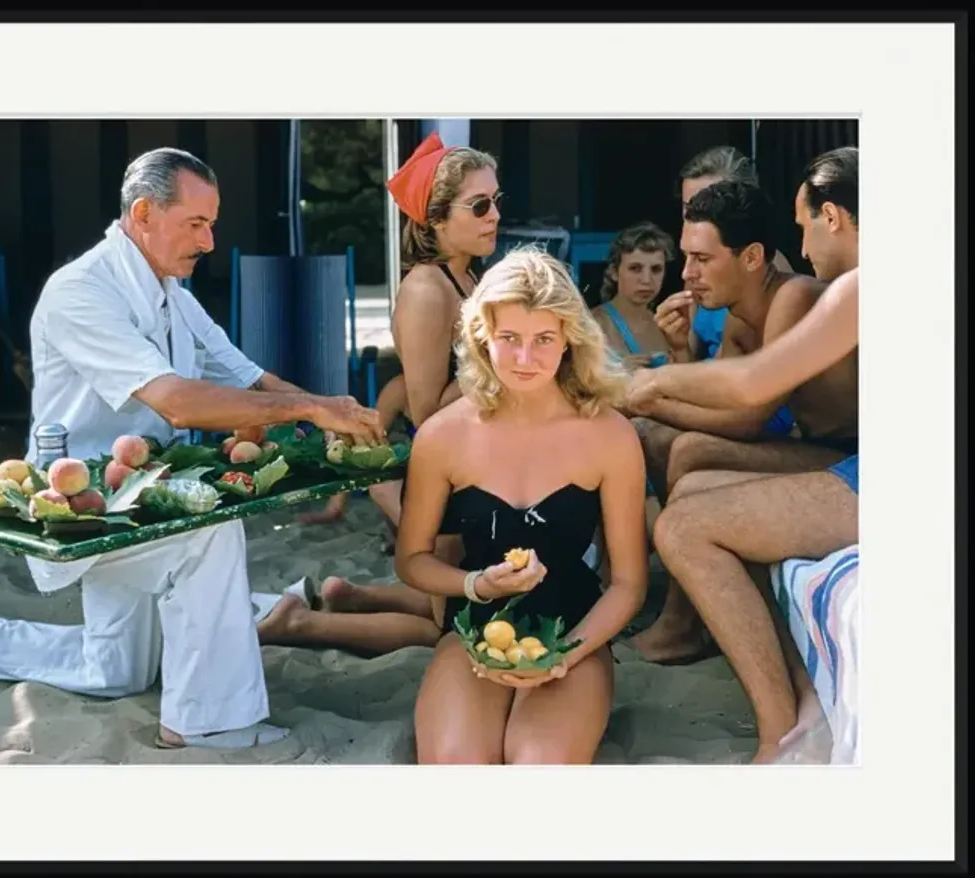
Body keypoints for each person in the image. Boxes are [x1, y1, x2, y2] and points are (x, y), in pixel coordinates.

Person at [0, 147, 386, 751]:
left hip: (144, 495)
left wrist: (331, 411)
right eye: (196, 223)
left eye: (212, 224)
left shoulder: (171, 291)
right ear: (145, 213)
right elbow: (176, 403)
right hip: (82, 509)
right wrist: (308, 410)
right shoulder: (80, 291)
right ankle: (206, 722)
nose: (209, 242)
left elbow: (248, 377)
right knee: (208, 530)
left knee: (117, 673)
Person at [396, 248, 649, 764]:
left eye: (543, 340)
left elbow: (628, 584)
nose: (525, 358)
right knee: (456, 768)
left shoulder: (611, 436)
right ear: (481, 335)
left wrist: (565, 655)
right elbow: (411, 560)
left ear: (569, 338)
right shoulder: (442, 436)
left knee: (539, 766)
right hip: (471, 630)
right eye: (509, 338)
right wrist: (475, 584)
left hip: (575, 629)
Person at [266, 132, 505, 656]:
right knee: (449, 631)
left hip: (476, 464)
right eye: (479, 205)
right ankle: (299, 625)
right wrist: (501, 361)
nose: (494, 216)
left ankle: (352, 597)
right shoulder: (426, 290)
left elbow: (406, 386)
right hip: (449, 474)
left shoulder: (467, 279)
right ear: (436, 219)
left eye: (495, 201)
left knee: (464, 604)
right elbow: (426, 409)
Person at [625, 148, 860, 672]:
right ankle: (688, 614)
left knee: (688, 457)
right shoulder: (739, 312)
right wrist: (673, 361)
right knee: (682, 451)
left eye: (700, 260)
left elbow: (749, 407)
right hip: (816, 447)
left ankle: (683, 624)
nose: (687, 274)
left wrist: (652, 392)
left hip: (844, 455)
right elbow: (728, 396)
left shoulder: (799, 294)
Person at [638, 263, 859, 764]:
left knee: (683, 527)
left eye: (805, 227)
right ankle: (801, 697)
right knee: (695, 487)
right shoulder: (771, 304)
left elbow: (751, 393)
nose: (801, 247)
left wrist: (650, 384)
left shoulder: (826, 290)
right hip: (844, 457)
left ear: (833, 222)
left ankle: (777, 735)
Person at [668, 145, 796, 364]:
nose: (697, 212)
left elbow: (749, 376)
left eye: (713, 199)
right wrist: (678, 348)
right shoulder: (695, 269)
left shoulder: (771, 274)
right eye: (688, 205)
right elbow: (694, 362)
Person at [590, 221, 679, 370]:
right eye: (635, 268)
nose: (647, 280)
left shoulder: (667, 325)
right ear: (614, 272)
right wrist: (616, 373)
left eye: (656, 269)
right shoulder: (593, 325)